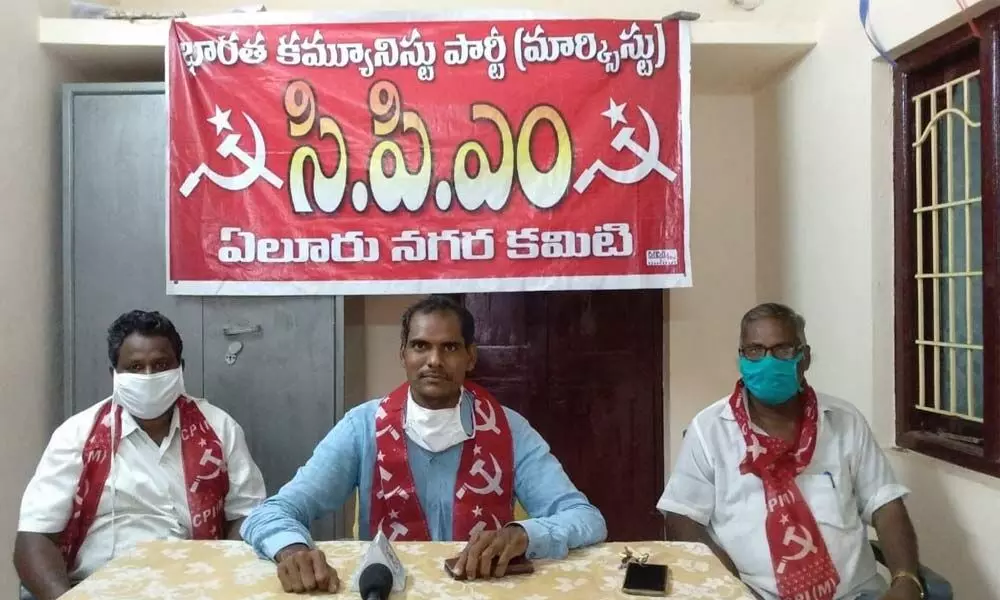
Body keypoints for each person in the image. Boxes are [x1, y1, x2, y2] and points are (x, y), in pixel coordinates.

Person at [241, 295, 607, 594]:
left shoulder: (510, 428)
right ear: (403, 354)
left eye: (449, 347)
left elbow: (586, 519)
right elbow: (273, 512)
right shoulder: (362, 427)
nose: (434, 361)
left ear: (470, 356)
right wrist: (293, 549)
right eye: (420, 346)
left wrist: (524, 535)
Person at [658, 303, 926, 600]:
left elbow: (885, 504)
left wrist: (905, 578)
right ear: (741, 358)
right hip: (752, 594)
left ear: (805, 357)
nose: (768, 361)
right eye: (755, 351)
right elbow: (682, 518)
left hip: (853, 594)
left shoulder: (844, 421)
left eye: (782, 349)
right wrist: (731, 588)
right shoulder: (710, 429)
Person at [15, 310, 267, 600]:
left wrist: (221, 575)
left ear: (180, 368)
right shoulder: (77, 434)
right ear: (114, 375)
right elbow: (35, 536)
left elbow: (247, 515)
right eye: (134, 367)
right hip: (94, 586)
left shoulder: (219, 428)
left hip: (193, 586)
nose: (148, 377)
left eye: (161, 365)